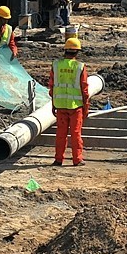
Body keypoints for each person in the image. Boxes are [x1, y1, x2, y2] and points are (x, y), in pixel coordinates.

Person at [49, 37, 90, 167]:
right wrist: (86, 107)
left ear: (65, 50)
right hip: (75, 107)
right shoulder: (80, 67)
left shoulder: (56, 65)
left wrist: (53, 104)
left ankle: (58, 159)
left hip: (60, 106)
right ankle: (77, 159)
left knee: (60, 134)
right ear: (77, 52)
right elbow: (84, 89)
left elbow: (52, 86)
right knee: (76, 133)